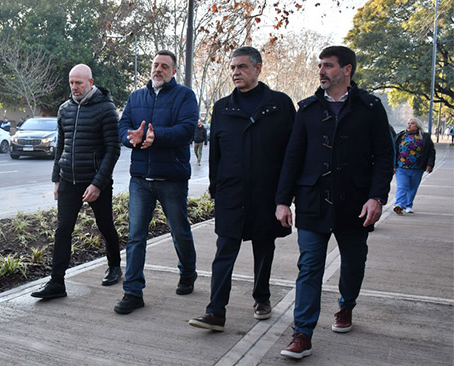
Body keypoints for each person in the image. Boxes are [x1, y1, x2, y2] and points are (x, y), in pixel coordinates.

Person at [275, 46, 393, 359]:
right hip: (313, 201)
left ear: (347, 70)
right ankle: (302, 333)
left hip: (355, 204)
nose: (321, 71)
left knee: (353, 263)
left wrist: (377, 197)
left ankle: (346, 306)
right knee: (309, 267)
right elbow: (293, 157)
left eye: (328, 66)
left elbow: (384, 155)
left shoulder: (370, 107)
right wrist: (283, 201)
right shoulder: (308, 109)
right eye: (320, 66)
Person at [188, 46, 295, 332]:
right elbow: (216, 154)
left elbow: (291, 153)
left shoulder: (280, 105)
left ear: (258, 69)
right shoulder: (223, 108)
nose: (236, 72)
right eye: (233, 68)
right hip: (231, 193)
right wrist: (216, 187)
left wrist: (286, 195)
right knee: (224, 250)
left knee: (264, 246)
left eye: (242, 67)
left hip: (266, 193)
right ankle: (215, 312)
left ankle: (262, 298)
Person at [114, 50, 199, 315]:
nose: (158, 69)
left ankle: (188, 273)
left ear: (174, 71)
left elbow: (187, 129)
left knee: (179, 230)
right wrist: (132, 138)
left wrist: (155, 135)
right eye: (155, 65)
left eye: (164, 66)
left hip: (171, 177)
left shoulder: (185, 96)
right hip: (140, 178)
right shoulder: (136, 97)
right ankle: (133, 291)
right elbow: (122, 126)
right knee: (136, 237)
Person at [31, 64, 122, 299]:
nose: (74, 87)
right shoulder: (65, 109)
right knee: (63, 230)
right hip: (68, 180)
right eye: (71, 82)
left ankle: (114, 266)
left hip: (95, 181)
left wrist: (98, 184)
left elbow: (113, 150)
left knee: (105, 226)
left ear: (90, 82)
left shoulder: (106, 109)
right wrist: (56, 180)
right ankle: (57, 283)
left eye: (79, 83)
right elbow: (60, 147)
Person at [392, 118, 435, 215]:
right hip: (401, 167)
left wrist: (430, 164)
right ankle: (399, 205)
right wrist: (393, 165)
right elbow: (394, 151)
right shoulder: (401, 136)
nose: (409, 125)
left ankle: (408, 205)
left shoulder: (424, 137)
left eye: (412, 123)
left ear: (417, 126)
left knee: (412, 187)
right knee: (402, 186)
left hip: (417, 167)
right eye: (408, 123)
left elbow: (431, 151)